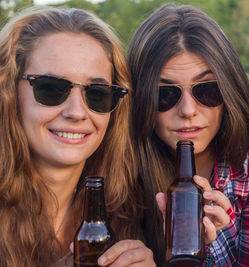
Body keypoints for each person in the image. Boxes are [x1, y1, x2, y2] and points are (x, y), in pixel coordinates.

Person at [127, 3, 249, 266]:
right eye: (164, 94)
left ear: (229, 90)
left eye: (207, 90)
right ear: (141, 100)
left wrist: (215, 244)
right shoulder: (124, 164)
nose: (188, 111)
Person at [0, 6, 156, 266]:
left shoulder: (127, 212)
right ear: (9, 94)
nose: (77, 112)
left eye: (97, 94)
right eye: (51, 88)